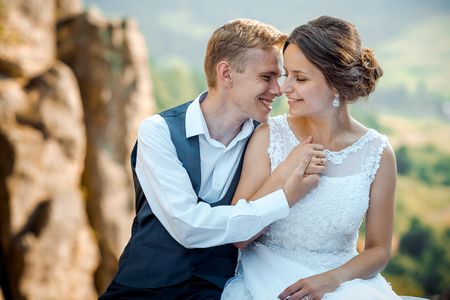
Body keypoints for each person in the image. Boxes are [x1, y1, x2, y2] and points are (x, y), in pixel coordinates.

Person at [98, 19, 327, 300]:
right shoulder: (158, 131)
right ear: (226, 74)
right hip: (141, 288)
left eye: (278, 78)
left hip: (217, 291)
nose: (278, 89)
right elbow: (188, 226)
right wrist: (283, 199)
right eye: (266, 77)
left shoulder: (269, 141)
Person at [221, 16, 402, 300]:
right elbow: (238, 235)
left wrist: (331, 279)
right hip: (269, 279)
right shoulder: (269, 136)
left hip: (342, 283)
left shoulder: (378, 153)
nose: (283, 88)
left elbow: (379, 250)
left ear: (337, 84)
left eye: (300, 78)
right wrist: (284, 172)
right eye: (286, 75)